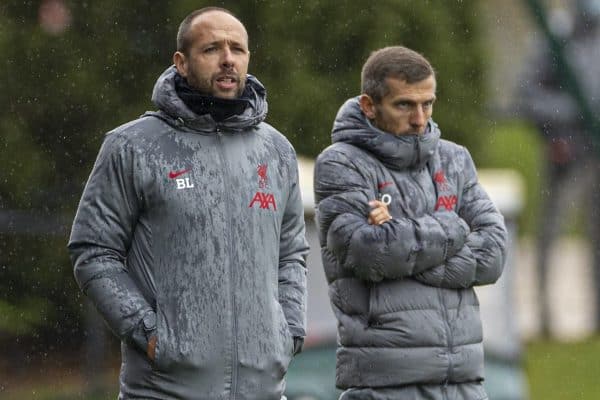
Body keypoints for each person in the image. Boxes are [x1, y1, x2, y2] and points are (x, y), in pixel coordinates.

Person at [68, 7, 308, 400]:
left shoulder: (276, 151)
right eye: (212, 48)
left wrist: (289, 331)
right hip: (165, 390)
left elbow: (292, 253)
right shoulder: (133, 146)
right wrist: (150, 335)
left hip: (264, 390)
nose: (228, 59)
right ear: (181, 62)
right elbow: (93, 251)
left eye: (238, 49)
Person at [313, 46, 507, 400]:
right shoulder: (340, 163)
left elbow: (493, 254)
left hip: (464, 381)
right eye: (404, 105)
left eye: (427, 103)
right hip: (386, 384)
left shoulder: (455, 159)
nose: (420, 118)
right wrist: (453, 228)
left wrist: (401, 240)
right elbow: (368, 253)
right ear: (369, 106)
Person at [518, 0, 600, 336]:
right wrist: (571, 116)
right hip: (565, 154)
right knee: (551, 236)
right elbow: (526, 95)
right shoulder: (555, 40)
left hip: (597, 154)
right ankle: (544, 318)